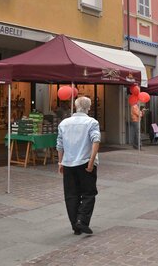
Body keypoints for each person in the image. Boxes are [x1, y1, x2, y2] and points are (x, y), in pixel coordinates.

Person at [57, 96, 100, 235]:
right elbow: (96, 141)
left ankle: (75, 224)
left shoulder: (64, 123)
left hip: (69, 163)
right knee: (89, 193)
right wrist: (92, 161)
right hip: (85, 161)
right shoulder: (91, 122)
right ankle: (82, 220)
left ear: (75, 107)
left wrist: (60, 162)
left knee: (71, 194)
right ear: (89, 107)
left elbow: (59, 145)